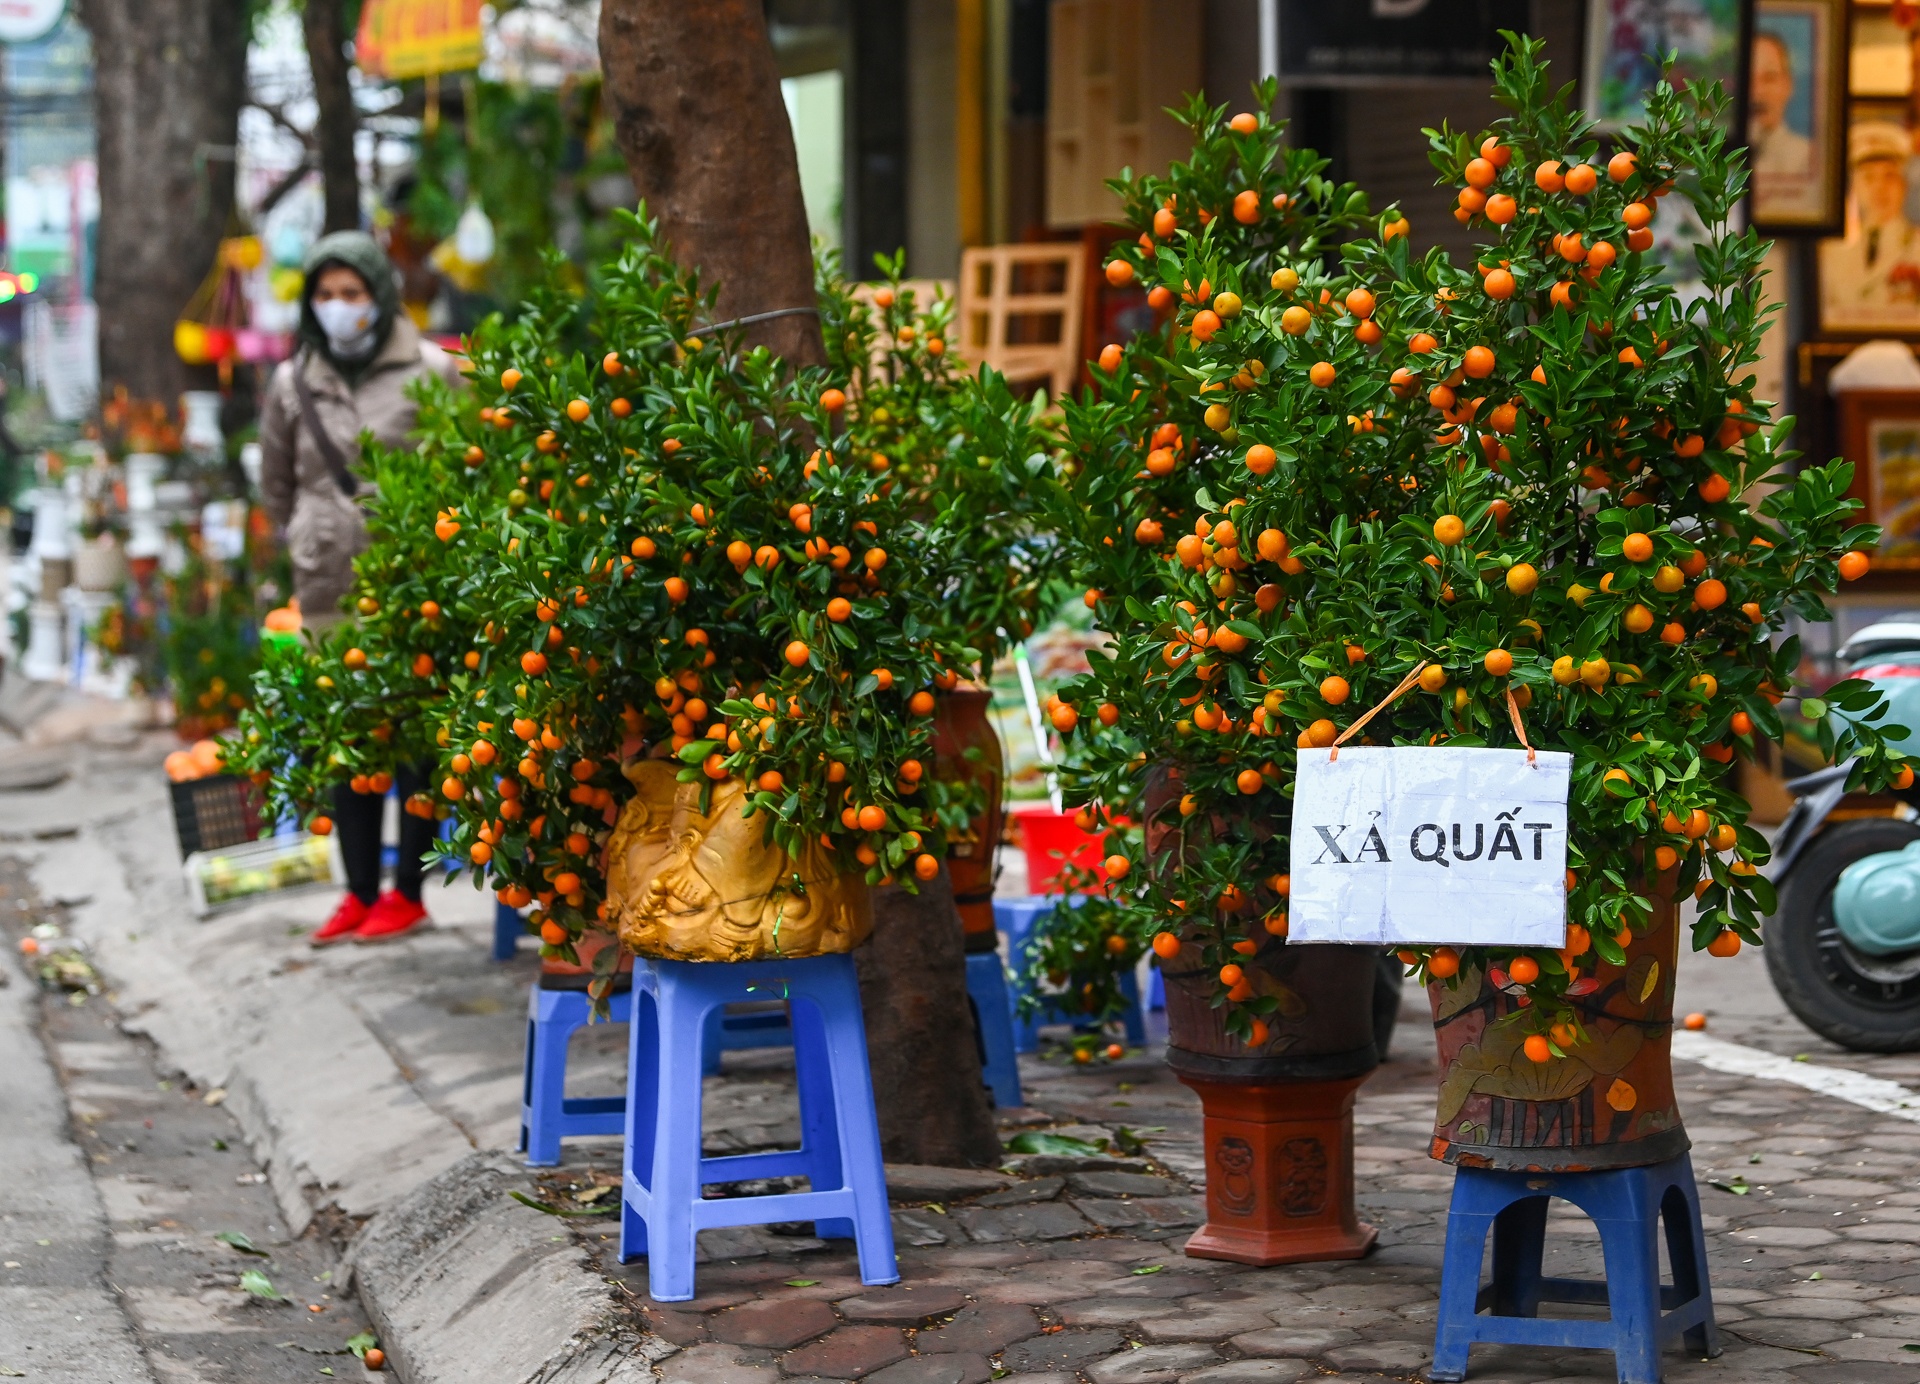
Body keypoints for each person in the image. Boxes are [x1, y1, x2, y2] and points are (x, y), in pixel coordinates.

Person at [259, 231, 463, 947]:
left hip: (410, 586)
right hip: (326, 587)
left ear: (379, 295)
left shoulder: (433, 372)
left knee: (411, 744)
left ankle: (406, 893)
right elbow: (276, 486)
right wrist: (313, 535)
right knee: (346, 744)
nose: (338, 306)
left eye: (352, 292)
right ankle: (355, 892)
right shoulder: (293, 383)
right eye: (325, 294)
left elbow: (465, 469)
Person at [1749, 30, 1813, 178]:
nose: (1757, 91)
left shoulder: (1808, 157)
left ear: (1788, 85)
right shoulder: (1711, 157)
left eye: (1769, 78)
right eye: (1748, 79)